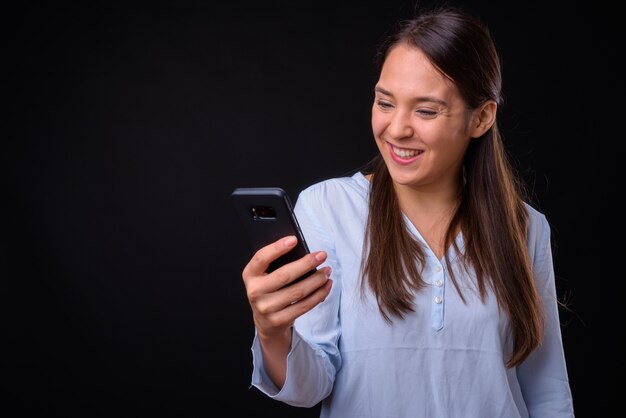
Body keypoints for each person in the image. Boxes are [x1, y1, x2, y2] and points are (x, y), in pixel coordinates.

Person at [240, 6, 574, 417]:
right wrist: (273, 333)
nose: (397, 129)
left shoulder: (525, 228)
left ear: (482, 118)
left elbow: (546, 389)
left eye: (426, 110)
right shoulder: (328, 208)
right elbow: (311, 386)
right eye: (385, 103)